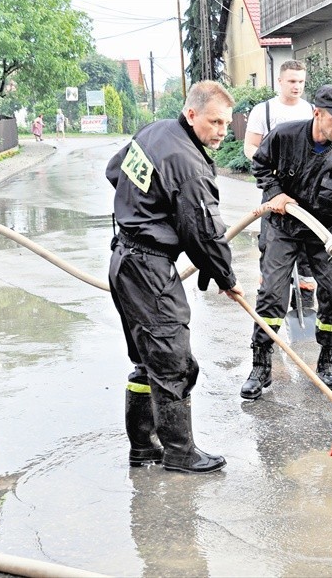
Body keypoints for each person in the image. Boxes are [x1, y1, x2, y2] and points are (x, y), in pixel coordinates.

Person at [106, 80, 244, 474]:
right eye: (214, 122)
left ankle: (143, 447)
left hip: (124, 259)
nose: (220, 130)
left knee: (146, 360)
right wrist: (226, 276)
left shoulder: (153, 131)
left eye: (225, 123)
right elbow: (203, 232)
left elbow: (114, 170)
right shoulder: (189, 164)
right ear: (191, 114)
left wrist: (144, 209)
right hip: (148, 270)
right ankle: (180, 453)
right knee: (171, 362)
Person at [240, 85, 332, 400]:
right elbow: (260, 165)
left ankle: (328, 361)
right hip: (283, 226)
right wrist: (275, 193)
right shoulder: (284, 136)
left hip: (324, 232)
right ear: (317, 113)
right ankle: (260, 365)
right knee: (272, 294)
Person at [244, 60, 317, 310]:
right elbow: (250, 147)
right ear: (280, 81)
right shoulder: (263, 111)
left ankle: (306, 300)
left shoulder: (310, 111)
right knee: (272, 243)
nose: (297, 86)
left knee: (308, 246)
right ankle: (270, 296)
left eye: (301, 82)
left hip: (305, 191)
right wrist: (271, 167)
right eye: (292, 81)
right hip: (274, 189)